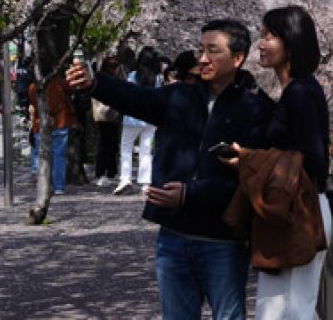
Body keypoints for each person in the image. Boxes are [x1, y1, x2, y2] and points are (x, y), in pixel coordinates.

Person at [69, 20, 269, 320]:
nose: (202, 59)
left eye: (213, 51)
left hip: (223, 242)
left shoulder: (256, 109)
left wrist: (190, 194)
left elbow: (249, 178)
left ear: (238, 58)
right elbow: (136, 98)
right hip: (173, 237)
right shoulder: (181, 96)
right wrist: (95, 83)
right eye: (200, 50)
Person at [222, 6, 333, 320]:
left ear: (291, 41)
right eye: (262, 36)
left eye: (269, 36)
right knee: (278, 308)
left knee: (293, 308)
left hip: (303, 208)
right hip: (290, 208)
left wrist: (250, 160)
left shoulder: (301, 92)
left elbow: (313, 162)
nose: (261, 44)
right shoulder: (295, 91)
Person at [116, 47, 165, 196]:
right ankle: (146, 183)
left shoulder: (133, 76)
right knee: (146, 151)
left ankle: (125, 179)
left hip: (132, 118)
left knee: (126, 148)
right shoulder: (157, 79)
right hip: (150, 119)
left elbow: (128, 95)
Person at [29, 70, 77, 195]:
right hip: (60, 122)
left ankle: (43, 185)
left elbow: (34, 103)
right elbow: (72, 89)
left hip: (40, 123)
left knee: (42, 155)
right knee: (59, 156)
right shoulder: (59, 83)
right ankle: (59, 186)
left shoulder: (33, 87)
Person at [93, 52, 125, 186]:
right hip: (109, 115)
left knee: (107, 144)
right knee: (108, 144)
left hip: (105, 115)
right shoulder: (107, 79)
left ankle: (107, 172)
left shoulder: (103, 77)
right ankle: (105, 172)